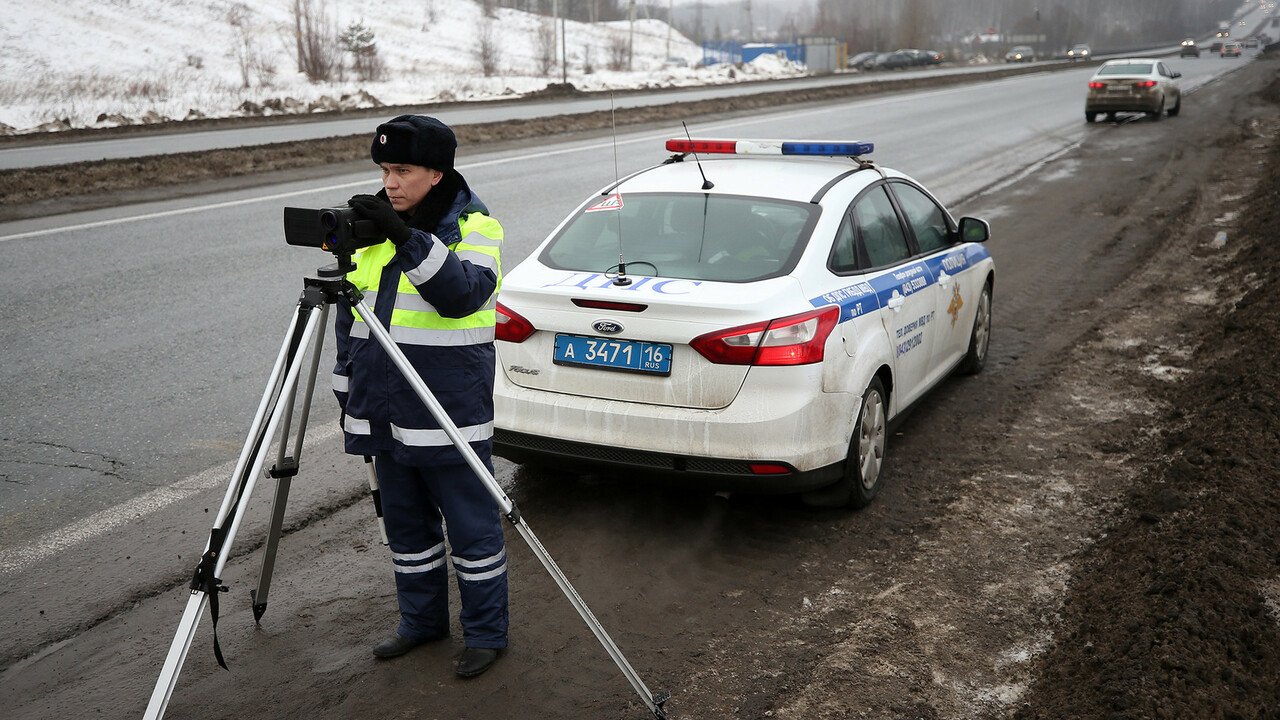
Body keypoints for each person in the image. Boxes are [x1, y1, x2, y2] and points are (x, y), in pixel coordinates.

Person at [332, 115, 507, 678]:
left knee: (472, 531)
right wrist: (348, 395)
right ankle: (421, 623)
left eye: (402, 170)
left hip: (448, 413)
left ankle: (485, 635)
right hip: (385, 410)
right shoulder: (378, 230)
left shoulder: (476, 227)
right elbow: (350, 322)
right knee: (406, 530)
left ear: (437, 173)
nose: (390, 182)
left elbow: (463, 295)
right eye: (384, 170)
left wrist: (406, 238)